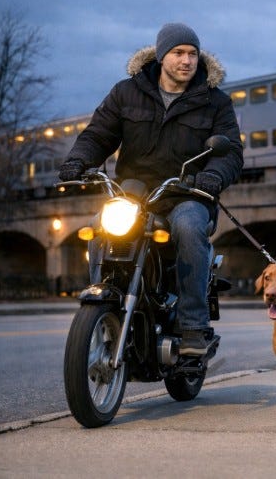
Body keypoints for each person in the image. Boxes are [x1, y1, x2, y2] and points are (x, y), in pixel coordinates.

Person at [59, 22, 243, 356]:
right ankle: (105, 291)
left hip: (186, 195)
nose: (186, 61)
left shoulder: (214, 101)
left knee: (188, 227)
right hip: (133, 194)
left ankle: (192, 326)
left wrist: (212, 177)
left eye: (192, 54)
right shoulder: (126, 92)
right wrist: (77, 161)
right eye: (178, 53)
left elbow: (230, 153)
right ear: (161, 56)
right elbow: (98, 134)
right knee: (100, 224)